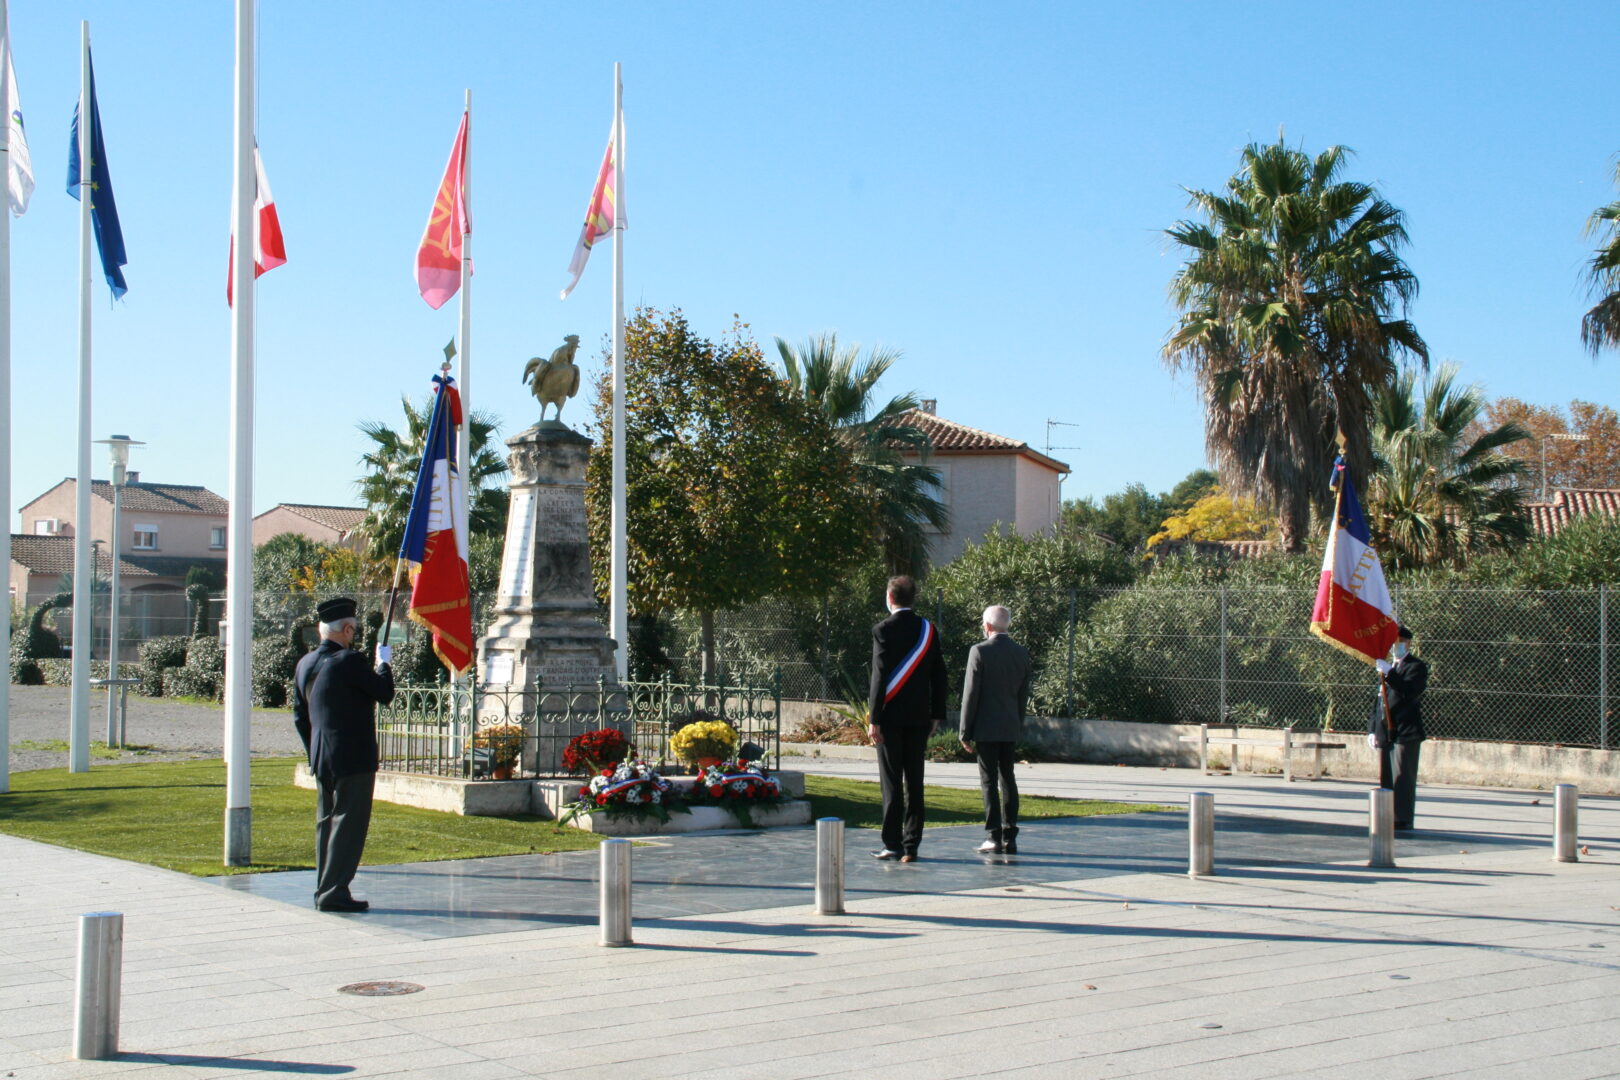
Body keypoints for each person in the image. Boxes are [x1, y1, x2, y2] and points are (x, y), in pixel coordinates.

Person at [292, 597, 395, 912]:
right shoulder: (349, 661)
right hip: (353, 757)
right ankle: (334, 892)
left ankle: (325, 888)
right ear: (347, 628)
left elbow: (300, 717)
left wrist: (315, 751)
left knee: (326, 823)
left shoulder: (305, 663)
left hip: (322, 757)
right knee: (348, 824)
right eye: (353, 629)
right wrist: (383, 663)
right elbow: (384, 693)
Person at [867, 575, 948, 863]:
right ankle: (912, 844)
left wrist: (873, 719)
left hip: (889, 717)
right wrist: (937, 714)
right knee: (915, 780)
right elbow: (939, 674)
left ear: (890, 598)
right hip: (919, 717)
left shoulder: (882, 629)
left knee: (891, 781)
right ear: (913, 598)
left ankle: (893, 843)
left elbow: (879, 677)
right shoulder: (928, 629)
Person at [959, 605, 1033, 855]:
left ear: (987, 626)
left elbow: (971, 694)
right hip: (1009, 725)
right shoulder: (1021, 653)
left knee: (989, 781)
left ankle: (993, 835)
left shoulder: (979, 651)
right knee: (1008, 778)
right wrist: (1017, 723)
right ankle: (1010, 834)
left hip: (986, 727)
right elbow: (1023, 696)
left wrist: (964, 731)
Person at [1367, 624, 1428, 831]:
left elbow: (1409, 691)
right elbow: (1378, 701)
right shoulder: (1385, 668)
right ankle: (1386, 816)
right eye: (1393, 643)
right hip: (1386, 729)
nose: (1396, 646)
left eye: (1400, 642)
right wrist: (1372, 729)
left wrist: (1390, 673)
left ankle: (1402, 818)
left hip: (1405, 730)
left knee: (1403, 776)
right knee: (1386, 776)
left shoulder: (1416, 666)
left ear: (1408, 643)